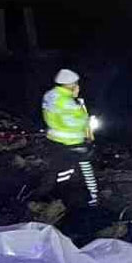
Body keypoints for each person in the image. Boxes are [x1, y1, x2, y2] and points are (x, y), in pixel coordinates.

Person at [41, 69, 99, 207]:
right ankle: (92, 200)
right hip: (72, 142)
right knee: (85, 172)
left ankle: (60, 198)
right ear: (71, 84)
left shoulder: (50, 95)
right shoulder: (67, 102)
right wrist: (85, 117)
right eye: (76, 83)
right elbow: (77, 122)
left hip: (55, 140)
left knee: (62, 172)